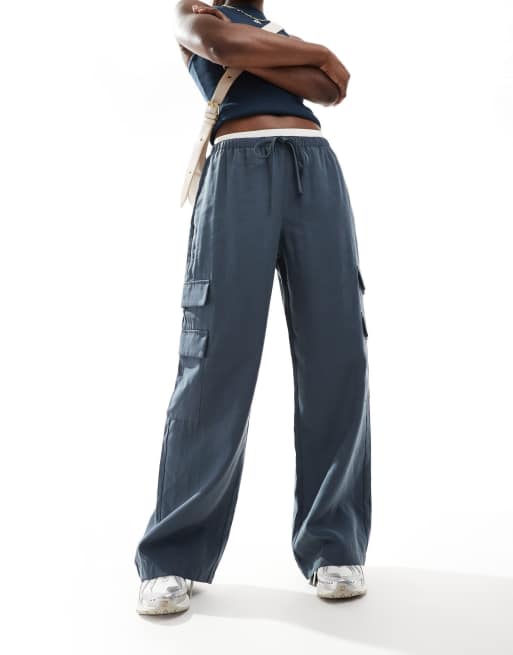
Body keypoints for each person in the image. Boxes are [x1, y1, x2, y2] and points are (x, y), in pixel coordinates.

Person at [135, 0, 372, 615]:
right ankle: (171, 558)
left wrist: (300, 60)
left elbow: (332, 91)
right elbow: (230, 49)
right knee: (214, 359)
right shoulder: (195, 14)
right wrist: (317, 54)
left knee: (338, 354)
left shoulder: (271, 29)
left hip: (315, 168)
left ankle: (334, 546)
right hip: (237, 168)